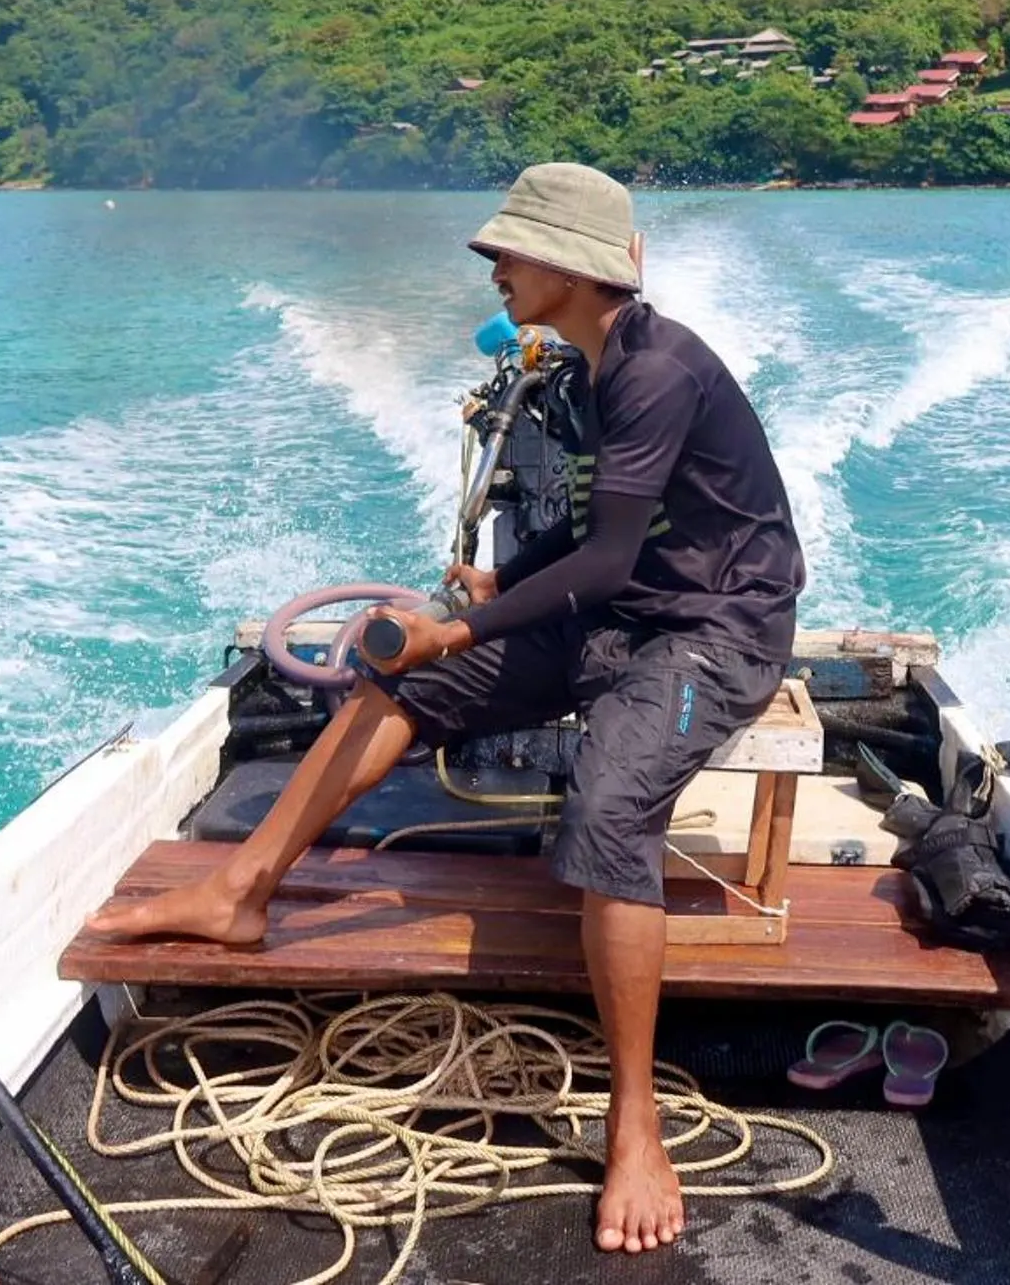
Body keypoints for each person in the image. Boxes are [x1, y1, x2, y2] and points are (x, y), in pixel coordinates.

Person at [90, 162, 805, 1255]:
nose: (496, 267)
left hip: (714, 628)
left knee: (607, 812)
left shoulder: (655, 373)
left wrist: (458, 622)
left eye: (511, 251)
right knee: (405, 685)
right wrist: (487, 607)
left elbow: (613, 559)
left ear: (576, 265)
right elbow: (598, 535)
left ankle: (635, 1121)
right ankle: (238, 890)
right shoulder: (589, 366)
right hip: (620, 610)